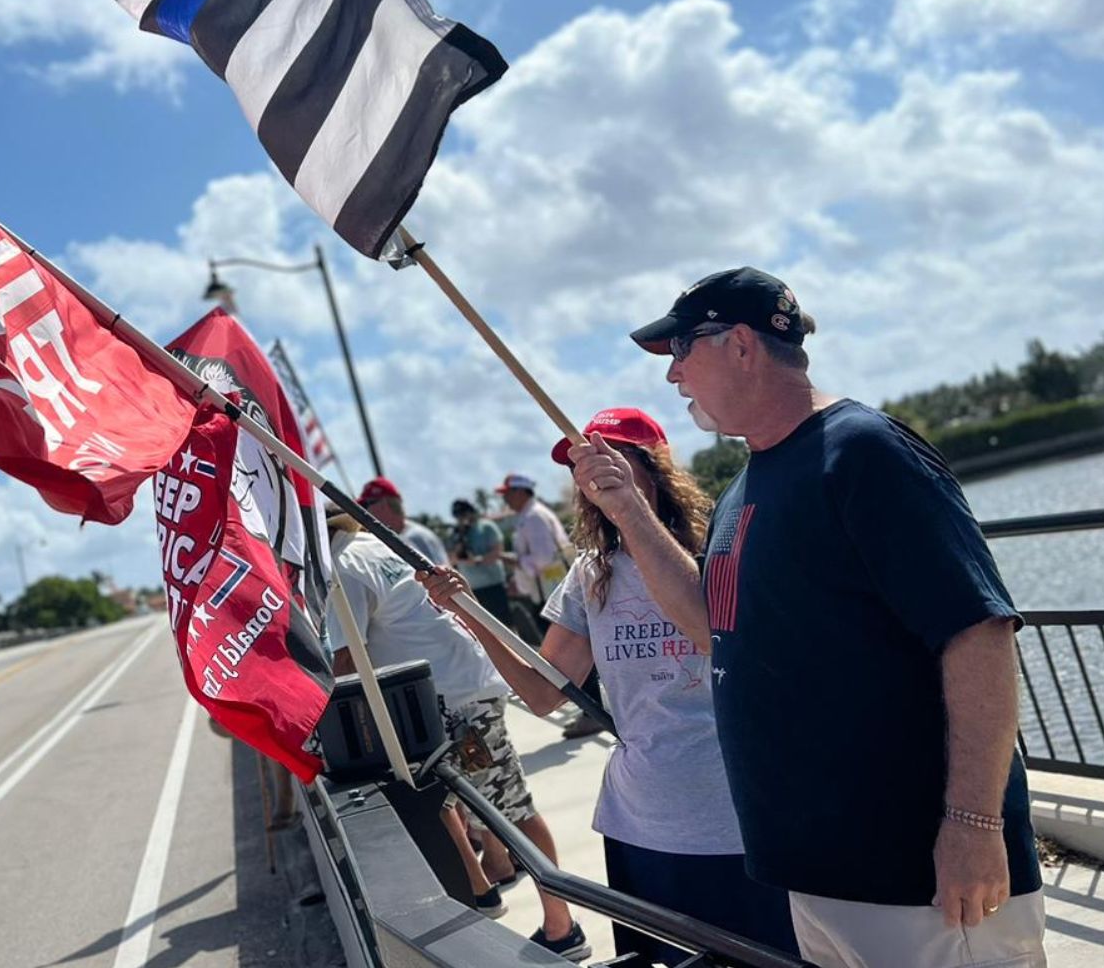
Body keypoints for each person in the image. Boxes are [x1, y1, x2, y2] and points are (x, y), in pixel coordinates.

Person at [591, 266, 1044, 966]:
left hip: (913, 872)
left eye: (682, 350)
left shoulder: (864, 453)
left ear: (741, 345)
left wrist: (973, 824)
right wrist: (628, 510)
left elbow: (977, 633)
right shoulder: (747, 483)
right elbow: (714, 627)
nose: (673, 376)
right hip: (813, 875)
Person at [419, 408, 798, 964]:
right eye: (581, 464)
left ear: (655, 468)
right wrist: (468, 611)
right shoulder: (590, 573)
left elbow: (732, 645)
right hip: (638, 822)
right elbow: (544, 693)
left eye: (610, 456)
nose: (591, 473)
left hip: (738, 818)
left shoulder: (724, 546)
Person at [327, 508, 592, 962]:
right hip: (451, 692)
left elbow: (346, 662)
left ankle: (562, 926)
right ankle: (483, 888)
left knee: (512, 812)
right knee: (451, 803)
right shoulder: (371, 548)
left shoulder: (341, 569)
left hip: (455, 700)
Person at [497, 473, 570, 618]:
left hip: (552, 593)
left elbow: (543, 558)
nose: (505, 499)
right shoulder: (532, 514)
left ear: (520, 492)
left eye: (507, 493)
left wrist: (514, 561)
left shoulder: (533, 517)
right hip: (552, 591)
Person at [358, 476, 448, 565]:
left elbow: (442, 575)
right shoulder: (406, 535)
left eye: (365, 506)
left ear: (383, 505)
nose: (363, 512)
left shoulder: (416, 538)